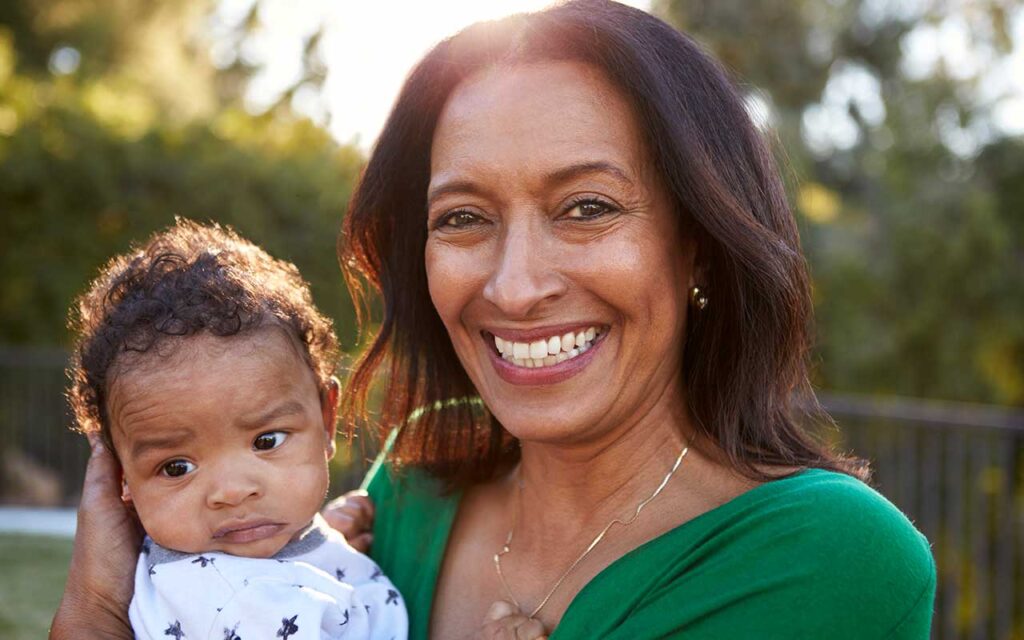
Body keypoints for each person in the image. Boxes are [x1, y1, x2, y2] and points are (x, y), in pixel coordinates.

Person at [52, 1, 936, 638]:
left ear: (700, 241)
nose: (513, 288)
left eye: (587, 207)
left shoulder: (828, 557)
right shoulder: (414, 486)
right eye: (463, 218)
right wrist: (95, 602)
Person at [63, 219, 408, 639]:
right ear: (122, 481)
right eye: (176, 467)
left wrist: (320, 543)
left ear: (327, 419)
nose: (231, 491)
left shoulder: (243, 568)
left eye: (266, 441)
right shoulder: (236, 602)